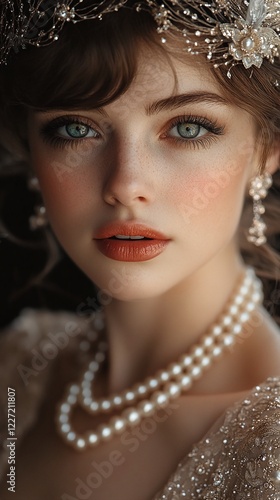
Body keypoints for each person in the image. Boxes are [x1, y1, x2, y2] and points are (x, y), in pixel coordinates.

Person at [0, 0, 280, 498]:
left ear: (266, 149)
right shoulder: (19, 367)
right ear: (31, 151)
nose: (126, 185)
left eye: (188, 127)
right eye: (76, 128)